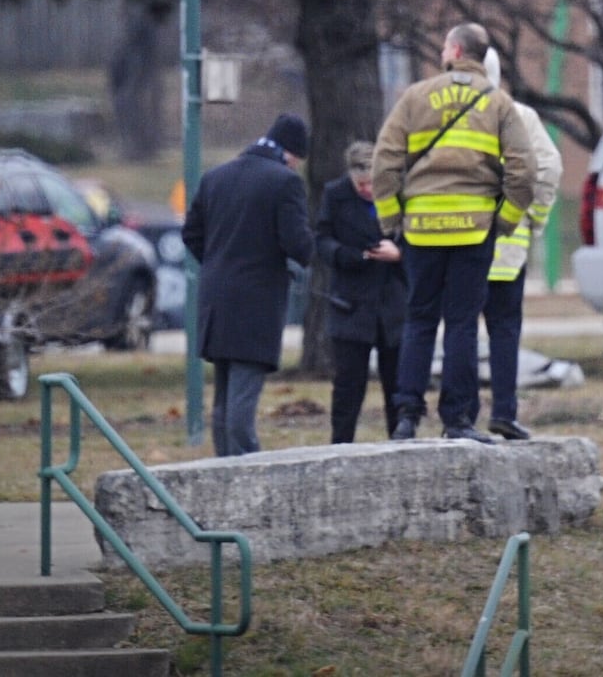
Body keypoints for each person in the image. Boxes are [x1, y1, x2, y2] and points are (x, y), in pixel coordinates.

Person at [372, 23, 534, 443]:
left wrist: (392, 221)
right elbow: (523, 170)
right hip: (473, 231)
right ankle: (458, 421)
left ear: (456, 49)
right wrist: (504, 221)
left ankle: (406, 415)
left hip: (422, 230)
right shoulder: (498, 104)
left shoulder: (415, 96)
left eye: (445, 44)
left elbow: (385, 162)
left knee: (419, 319)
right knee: (461, 323)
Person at [181, 112, 314, 457]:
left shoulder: (215, 177)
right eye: (297, 161)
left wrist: (216, 264)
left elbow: (191, 234)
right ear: (291, 153)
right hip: (255, 303)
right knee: (240, 404)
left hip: (215, 300)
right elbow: (299, 246)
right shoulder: (284, 182)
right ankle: (247, 472)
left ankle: (222, 472)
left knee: (224, 402)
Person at [471, 47, 563, 440]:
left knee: (460, 330)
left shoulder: (446, 115)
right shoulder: (520, 116)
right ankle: (504, 412)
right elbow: (549, 167)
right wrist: (535, 218)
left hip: (458, 245)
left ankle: (461, 415)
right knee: (504, 332)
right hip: (508, 249)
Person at [314, 140, 407, 443]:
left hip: (393, 302)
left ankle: (401, 441)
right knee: (348, 385)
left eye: (372, 183)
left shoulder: (399, 191)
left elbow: (419, 234)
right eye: (361, 184)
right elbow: (323, 239)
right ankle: (341, 444)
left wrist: (399, 253)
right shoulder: (336, 195)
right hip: (351, 302)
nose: (368, 189)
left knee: (398, 383)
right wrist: (347, 255)